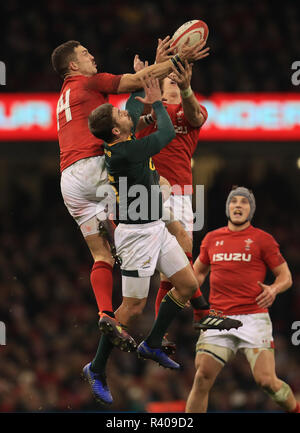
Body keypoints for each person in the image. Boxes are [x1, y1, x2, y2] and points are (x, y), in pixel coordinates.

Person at [51, 39, 210, 354]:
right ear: (73, 65)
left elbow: (135, 108)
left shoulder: (64, 96)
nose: (92, 56)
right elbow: (138, 88)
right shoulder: (91, 81)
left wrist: (153, 71)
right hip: (95, 169)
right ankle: (184, 307)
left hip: (68, 179)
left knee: (101, 256)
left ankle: (104, 313)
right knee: (159, 184)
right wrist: (177, 58)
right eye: (85, 54)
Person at [85, 72, 212, 405]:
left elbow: (128, 108)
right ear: (117, 130)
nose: (128, 114)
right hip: (136, 236)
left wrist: (141, 79)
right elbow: (167, 132)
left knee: (185, 284)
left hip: (155, 223)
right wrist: (156, 99)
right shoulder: (129, 151)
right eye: (123, 117)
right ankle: (96, 367)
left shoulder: (122, 142)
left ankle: (152, 343)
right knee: (133, 307)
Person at [185, 186, 300, 413]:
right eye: (234, 201)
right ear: (228, 207)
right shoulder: (212, 239)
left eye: (244, 202)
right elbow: (197, 273)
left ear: (251, 209)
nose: (238, 205)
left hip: (253, 317)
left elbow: (285, 276)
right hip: (218, 317)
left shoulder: (262, 240)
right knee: (202, 378)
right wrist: (190, 292)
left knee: (266, 381)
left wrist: (274, 289)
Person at [136, 40, 211, 330]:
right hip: (147, 189)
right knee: (177, 256)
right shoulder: (151, 108)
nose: (175, 79)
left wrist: (187, 90)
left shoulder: (191, 108)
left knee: (176, 265)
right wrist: (153, 77)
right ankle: (202, 311)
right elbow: (131, 126)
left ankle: (159, 333)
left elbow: (195, 117)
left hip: (181, 192)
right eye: (170, 75)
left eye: (180, 75)